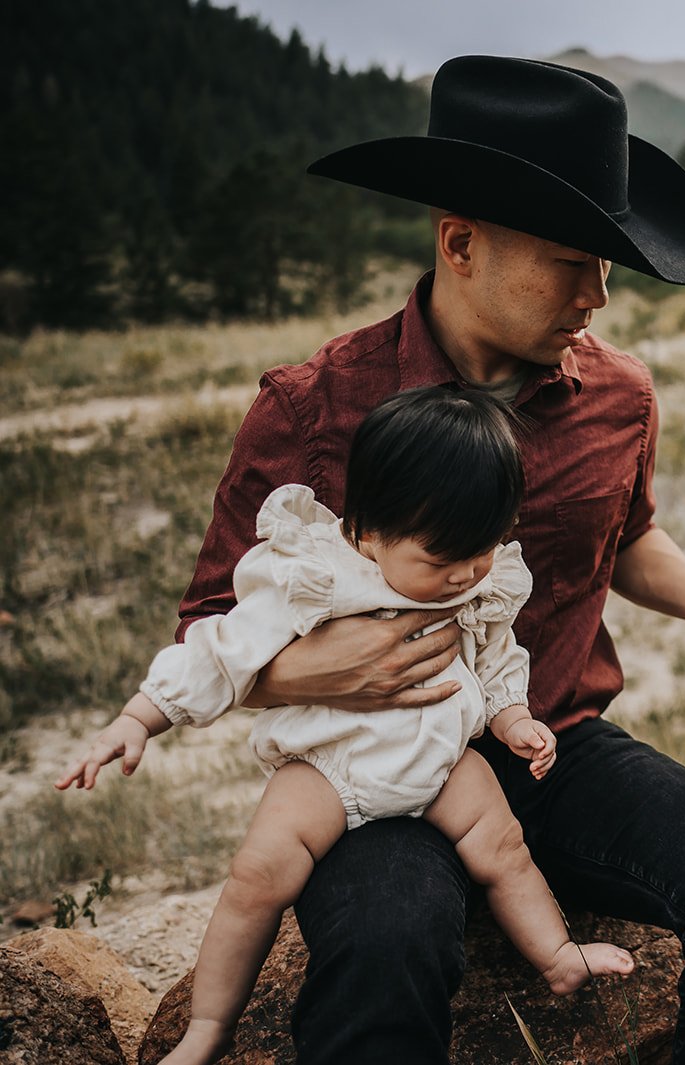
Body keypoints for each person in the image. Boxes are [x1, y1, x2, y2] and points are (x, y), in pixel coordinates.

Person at [172, 57, 685, 1063]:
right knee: (389, 939)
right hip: (371, 775)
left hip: (553, 745)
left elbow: (625, 533)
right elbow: (207, 625)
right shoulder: (312, 408)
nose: (599, 296)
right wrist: (327, 671)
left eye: (609, 267)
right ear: (460, 243)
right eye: (573, 262)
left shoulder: (620, 395)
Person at [58, 387, 634, 1065]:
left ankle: (558, 956)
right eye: (440, 561)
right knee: (255, 877)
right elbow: (223, 650)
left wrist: (514, 721)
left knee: (503, 847)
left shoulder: (481, 580)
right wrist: (138, 718)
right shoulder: (317, 574)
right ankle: (208, 1026)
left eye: (480, 553)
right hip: (328, 767)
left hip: (442, 758)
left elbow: (497, 656)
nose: (464, 576)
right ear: (365, 533)